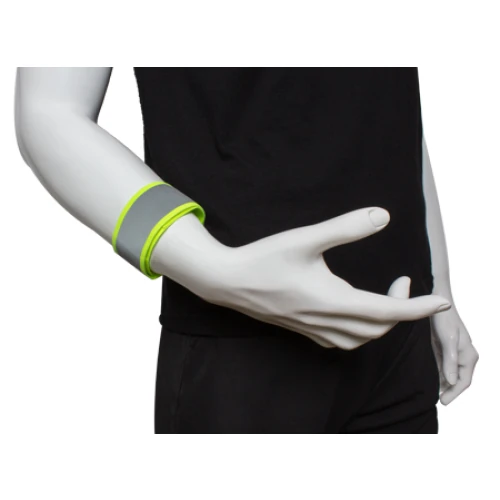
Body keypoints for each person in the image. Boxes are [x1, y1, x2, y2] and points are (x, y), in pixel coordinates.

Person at [15, 67, 479, 433]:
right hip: (242, 345)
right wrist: (214, 269)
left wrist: (438, 285)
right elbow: (49, 112)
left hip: (400, 336)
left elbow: (382, 97)